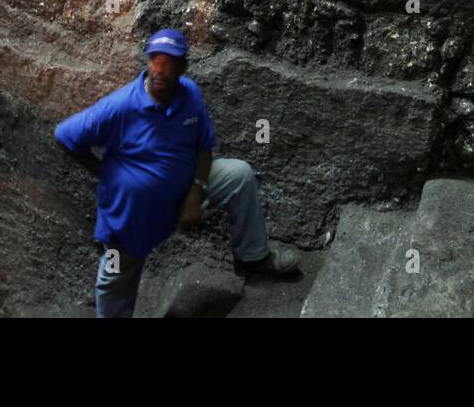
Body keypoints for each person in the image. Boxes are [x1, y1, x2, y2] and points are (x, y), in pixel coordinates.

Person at [54, 28, 300, 317]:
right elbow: (64, 135)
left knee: (239, 175)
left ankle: (253, 257)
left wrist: (195, 194)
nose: (160, 69)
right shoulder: (120, 107)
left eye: (169, 62)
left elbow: (204, 148)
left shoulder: (190, 95)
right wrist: (105, 173)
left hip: (184, 192)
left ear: (183, 67)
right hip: (134, 215)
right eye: (155, 60)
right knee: (114, 278)